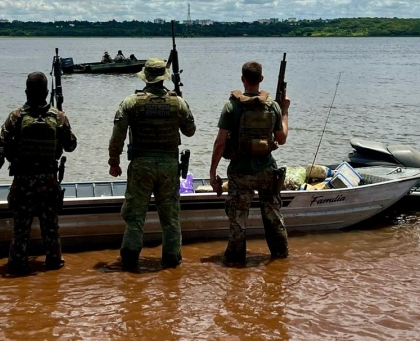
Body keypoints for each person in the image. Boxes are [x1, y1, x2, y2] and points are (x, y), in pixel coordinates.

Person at [108, 58, 196, 270]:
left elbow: (117, 136)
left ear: (145, 77)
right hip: (169, 166)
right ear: (163, 78)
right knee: (170, 218)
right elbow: (190, 131)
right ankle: (172, 263)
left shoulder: (131, 102)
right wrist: (182, 105)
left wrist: (114, 162)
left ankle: (129, 263)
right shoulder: (178, 103)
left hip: (141, 165)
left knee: (135, 218)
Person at [0, 71, 77, 273]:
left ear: (27, 91)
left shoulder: (16, 116)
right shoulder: (58, 117)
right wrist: (64, 119)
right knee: (51, 229)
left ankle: (18, 265)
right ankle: (54, 265)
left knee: (21, 230)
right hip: (48, 180)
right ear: (46, 92)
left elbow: (0, 146)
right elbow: (71, 146)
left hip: (23, 180)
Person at [209, 61, 290, 263]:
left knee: (238, 220)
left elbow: (220, 143)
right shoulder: (273, 107)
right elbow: (282, 139)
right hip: (266, 171)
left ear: (243, 79)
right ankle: (280, 259)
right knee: (273, 216)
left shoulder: (232, 106)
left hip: (240, 172)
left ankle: (235, 261)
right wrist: (286, 110)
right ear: (261, 79)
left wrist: (212, 172)